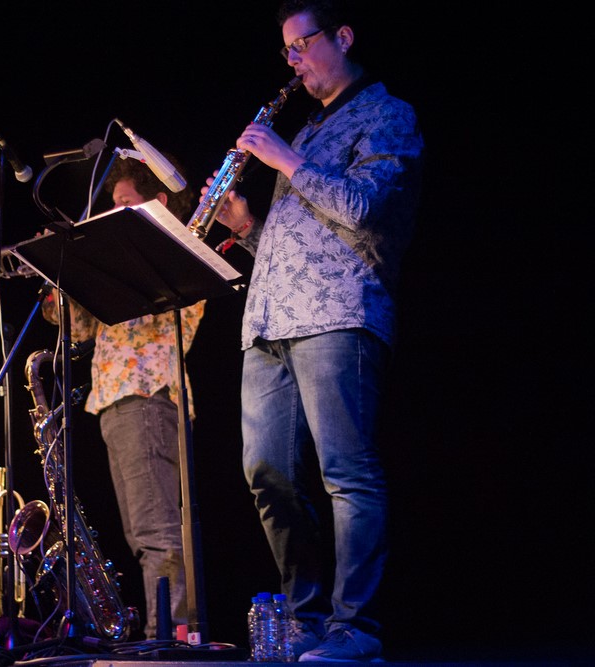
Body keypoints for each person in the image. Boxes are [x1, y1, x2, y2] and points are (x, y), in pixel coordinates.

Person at [206, 0, 424, 661]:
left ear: (344, 37)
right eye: (287, 51)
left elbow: (363, 209)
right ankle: (304, 618)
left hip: (339, 313)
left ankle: (356, 627)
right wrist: (246, 227)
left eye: (302, 45)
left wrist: (284, 159)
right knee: (265, 470)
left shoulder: (387, 113)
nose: (294, 62)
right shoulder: (304, 132)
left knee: (346, 473)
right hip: (270, 320)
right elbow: (293, 242)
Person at [40, 154, 204, 641]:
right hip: (114, 400)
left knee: (156, 530)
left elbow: (166, 311)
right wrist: (57, 273)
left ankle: (168, 636)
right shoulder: (119, 264)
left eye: (123, 203)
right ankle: (164, 633)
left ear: (158, 202)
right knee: (139, 532)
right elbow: (79, 327)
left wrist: (95, 263)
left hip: (149, 393)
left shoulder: (177, 248)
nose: (113, 214)